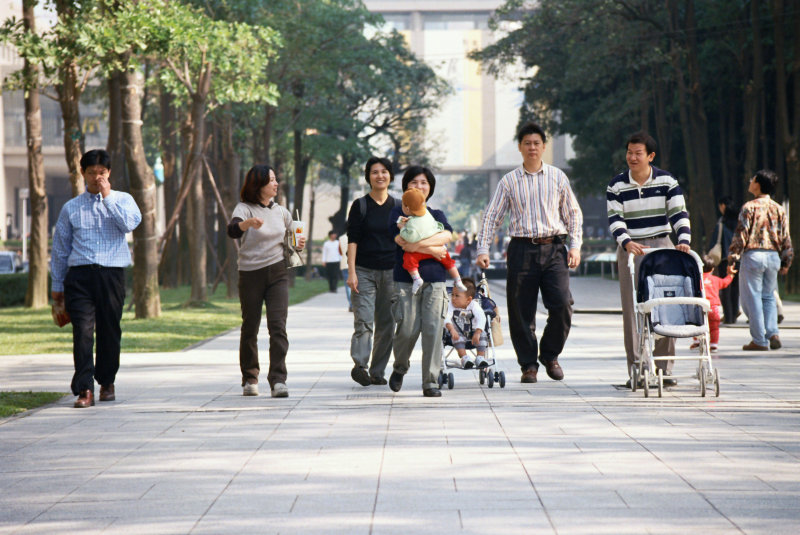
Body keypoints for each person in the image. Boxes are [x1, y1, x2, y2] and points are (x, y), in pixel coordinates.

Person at [476, 122, 583, 384]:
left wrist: (575, 245)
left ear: (544, 146)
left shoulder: (558, 177)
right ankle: (528, 365)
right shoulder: (509, 181)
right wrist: (483, 248)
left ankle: (550, 355)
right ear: (520, 147)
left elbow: (572, 213)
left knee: (562, 304)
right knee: (521, 310)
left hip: (554, 248)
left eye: (536, 143)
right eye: (527, 143)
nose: (532, 147)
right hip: (522, 249)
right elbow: (492, 216)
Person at [50, 149, 142, 408]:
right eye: (91, 173)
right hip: (79, 277)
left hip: (112, 275)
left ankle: (107, 381)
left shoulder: (123, 200)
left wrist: (107, 197)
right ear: (82, 173)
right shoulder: (71, 208)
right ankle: (85, 389)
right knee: (82, 331)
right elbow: (60, 249)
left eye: (102, 172)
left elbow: (129, 225)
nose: (97, 177)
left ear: (109, 173)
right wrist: (57, 288)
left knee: (109, 330)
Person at [607, 131, 691, 388]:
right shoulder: (616, 185)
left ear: (650, 156)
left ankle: (664, 368)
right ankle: (638, 369)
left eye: (638, 153)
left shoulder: (667, 181)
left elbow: (679, 213)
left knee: (667, 305)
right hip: (631, 249)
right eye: (629, 152)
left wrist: (684, 240)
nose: (632, 157)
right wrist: (626, 242)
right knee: (632, 309)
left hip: (662, 245)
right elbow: (615, 219)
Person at [226, 164, 305, 398]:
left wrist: (298, 244)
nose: (276, 183)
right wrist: (247, 224)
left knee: (278, 327)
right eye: (271, 180)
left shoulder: (281, 212)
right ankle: (250, 378)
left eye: (275, 179)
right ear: (258, 184)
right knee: (250, 326)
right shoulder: (244, 208)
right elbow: (232, 230)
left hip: (278, 272)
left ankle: (278, 380)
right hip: (250, 273)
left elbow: (292, 241)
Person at [388, 165, 454, 397]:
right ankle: (400, 367)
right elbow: (401, 241)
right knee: (407, 329)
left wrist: (418, 245)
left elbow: (447, 235)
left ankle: (430, 382)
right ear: (406, 187)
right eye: (414, 182)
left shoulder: (437, 215)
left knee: (433, 330)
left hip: (435, 280)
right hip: (406, 279)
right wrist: (432, 248)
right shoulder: (398, 213)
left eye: (424, 182)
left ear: (430, 187)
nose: (419, 186)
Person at [346, 156, 398, 386]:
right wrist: (351, 272)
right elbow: (353, 240)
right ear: (368, 177)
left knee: (387, 325)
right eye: (375, 172)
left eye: (384, 171)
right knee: (364, 320)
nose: (380, 176)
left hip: (392, 273)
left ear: (390, 176)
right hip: (364, 271)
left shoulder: (399, 206)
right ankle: (360, 366)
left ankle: (377, 372)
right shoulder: (360, 205)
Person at [727, 169, 793, 351]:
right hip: (773, 256)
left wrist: (732, 258)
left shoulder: (749, 207)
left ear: (758, 184)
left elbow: (741, 236)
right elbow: (786, 237)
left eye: (752, 179)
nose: (750, 181)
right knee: (769, 296)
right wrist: (786, 260)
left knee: (753, 298)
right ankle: (773, 333)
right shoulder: (779, 209)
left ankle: (759, 340)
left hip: (753, 256)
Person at [396, 188, 467, 294]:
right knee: (449, 263)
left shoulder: (412, 224)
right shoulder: (428, 214)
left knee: (408, 259)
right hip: (438, 249)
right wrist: (433, 250)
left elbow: (410, 239)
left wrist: (402, 228)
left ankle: (416, 278)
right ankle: (458, 280)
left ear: (407, 208)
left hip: (418, 253)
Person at [444, 277, 489, 370]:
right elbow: (446, 317)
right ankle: (464, 358)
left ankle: (480, 357)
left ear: (468, 299)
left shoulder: (474, 305)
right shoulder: (451, 306)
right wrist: (451, 330)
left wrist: (478, 332)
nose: (453, 298)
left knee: (483, 334)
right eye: (452, 295)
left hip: (474, 333)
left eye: (457, 296)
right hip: (458, 332)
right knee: (457, 338)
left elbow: (481, 317)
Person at [691, 257, 735, 353]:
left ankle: (697, 341)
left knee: (696, 324)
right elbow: (725, 283)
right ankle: (713, 345)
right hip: (713, 308)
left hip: (699, 306)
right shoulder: (715, 279)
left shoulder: (696, 280)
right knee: (714, 327)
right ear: (712, 269)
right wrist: (730, 275)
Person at [711, 196, 740, 324]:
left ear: (722, 206)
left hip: (724, 259)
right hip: (738, 258)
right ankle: (734, 313)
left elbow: (714, 241)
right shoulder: (739, 222)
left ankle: (728, 317)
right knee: (735, 287)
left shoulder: (722, 223)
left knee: (725, 287)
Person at [338, 233, 352, 311]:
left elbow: (340, 252)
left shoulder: (341, 238)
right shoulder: (359, 234)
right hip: (355, 264)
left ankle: (351, 304)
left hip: (344, 264)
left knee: (347, 286)